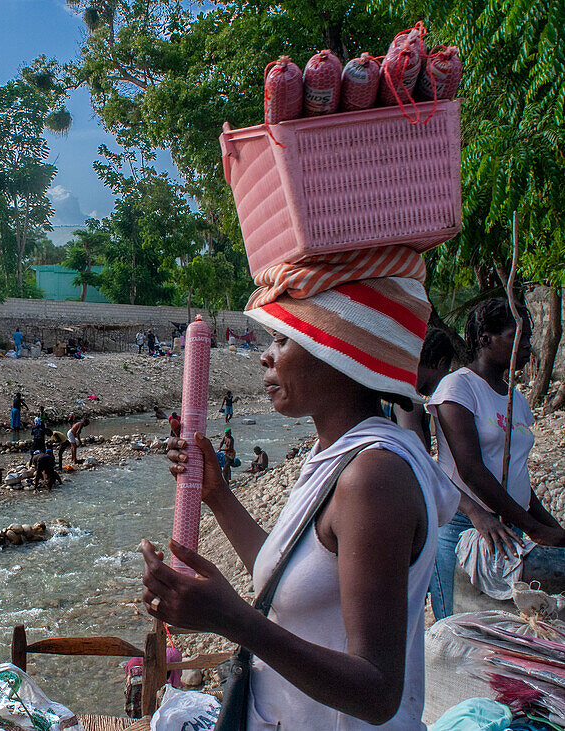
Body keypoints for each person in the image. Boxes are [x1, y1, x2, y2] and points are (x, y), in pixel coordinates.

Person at [146, 245, 458, 729]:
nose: (266, 357)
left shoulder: (373, 478)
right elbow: (289, 581)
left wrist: (232, 621)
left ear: (336, 351)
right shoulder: (333, 455)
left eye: (283, 339)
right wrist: (218, 495)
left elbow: (376, 692)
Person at [427, 298, 565, 619]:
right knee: (458, 632)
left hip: (508, 526)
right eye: (518, 336)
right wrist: (532, 527)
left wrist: (549, 527)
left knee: (502, 634)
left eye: (529, 338)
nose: (527, 346)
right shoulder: (458, 387)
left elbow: (518, 475)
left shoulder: (515, 396)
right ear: (485, 339)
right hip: (464, 525)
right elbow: (471, 470)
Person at [394, 328, 455, 451]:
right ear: (441, 363)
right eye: (445, 372)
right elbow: (416, 453)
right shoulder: (409, 401)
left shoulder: (393, 388)